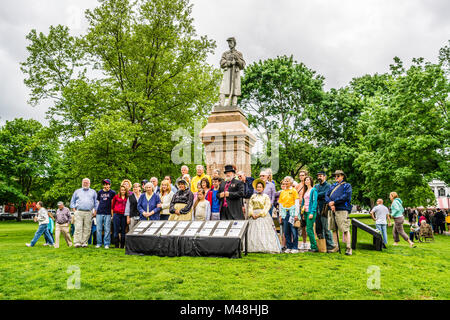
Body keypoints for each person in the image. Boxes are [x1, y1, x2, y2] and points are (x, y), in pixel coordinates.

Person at [247, 178, 281, 253]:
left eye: (260, 187)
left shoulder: (266, 196)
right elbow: (250, 205)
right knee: (253, 232)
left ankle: (265, 247)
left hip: (262, 216)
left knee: (263, 231)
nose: (259, 188)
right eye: (257, 187)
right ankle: (253, 247)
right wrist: (252, 213)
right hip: (253, 215)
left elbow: (267, 207)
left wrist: (259, 214)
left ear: (263, 188)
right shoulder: (253, 196)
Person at [325, 170, 353, 255]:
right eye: (335, 176)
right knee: (334, 229)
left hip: (342, 209)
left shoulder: (347, 185)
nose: (336, 177)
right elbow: (326, 195)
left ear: (342, 176)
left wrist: (334, 202)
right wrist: (330, 203)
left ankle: (348, 248)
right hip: (332, 208)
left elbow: (346, 196)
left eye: (338, 176)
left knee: (345, 229)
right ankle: (336, 246)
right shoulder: (332, 186)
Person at [70, 178, 98, 248]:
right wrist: (74, 210)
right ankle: (77, 242)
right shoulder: (77, 191)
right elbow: (72, 201)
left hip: (89, 212)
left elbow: (96, 202)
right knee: (78, 227)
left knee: (87, 228)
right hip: (79, 211)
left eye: (87, 182)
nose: (85, 183)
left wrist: (95, 210)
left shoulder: (93, 192)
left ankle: (84, 242)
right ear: (82, 183)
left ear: (89, 183)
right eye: (84, 182)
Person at [314, 171, 336, 253]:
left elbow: (325, 194)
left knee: (326, 227)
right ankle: (322, 245)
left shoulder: (328, 186)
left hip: (325, 208)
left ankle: (330, 245)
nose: (319, 177)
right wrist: (318, 195)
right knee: (318, 228)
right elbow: (314, 194)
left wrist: (317, 195)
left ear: (325, 177)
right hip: (317, 208)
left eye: (321, 176)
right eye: (318, 176)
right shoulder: (316, 186)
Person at [278, 177, 300, 253]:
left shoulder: (294, 191)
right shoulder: (282, 192)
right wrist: (280, 215)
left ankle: (295, 247)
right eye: (285, 181)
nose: (286, 182)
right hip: (284, 213)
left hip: (292, 213)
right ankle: (289, 246)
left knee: (293, 230)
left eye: (288, 181)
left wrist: (296, 214)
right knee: (286, 230)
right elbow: (280, 204)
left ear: (291, 182)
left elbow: (297, 203)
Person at [96, 179, 115, 249]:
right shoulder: (100, 192)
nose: (105, 186)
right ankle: (99, 243)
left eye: (107, 184)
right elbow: (97, 202)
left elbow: (113, 203)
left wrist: (112, 213)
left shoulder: (112, 192)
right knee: (99, 229)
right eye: (104, 184)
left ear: (109, 185)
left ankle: (106, 243)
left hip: (108, 213)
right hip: (99, 212)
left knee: (107, 229)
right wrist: (95, 210)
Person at [301, 176, 319, 252]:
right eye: (305, 180)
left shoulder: (313, 190)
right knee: (307, 229)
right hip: (305, 212)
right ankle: (312, 246)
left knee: (309, 229)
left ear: (311, 181)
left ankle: (314, 247)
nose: (306, 181)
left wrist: (312, 212)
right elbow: (303, 202)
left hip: (311, 212)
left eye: (308, 180)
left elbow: (315, 202)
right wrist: (302, 212)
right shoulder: (305, 190)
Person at [295, 170, 309, 250]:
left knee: (307, 226)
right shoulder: (298, 185)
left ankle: (305, 242)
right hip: (299, 207)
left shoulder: (308, 185)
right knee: (300, 225)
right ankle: (300, 243)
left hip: (306, 207)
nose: (301, 177)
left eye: (303, 175)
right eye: (300, 175)